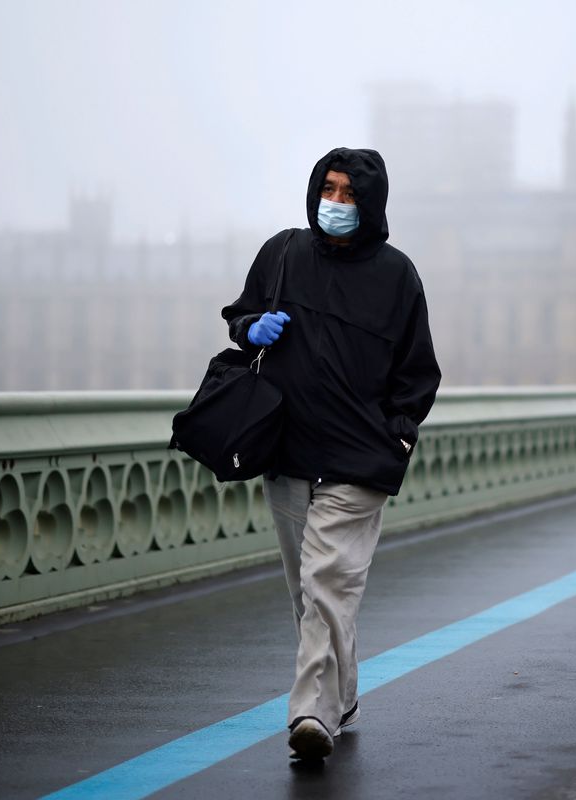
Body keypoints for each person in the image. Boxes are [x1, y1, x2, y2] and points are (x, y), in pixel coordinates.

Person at [221, 147, 441, 761]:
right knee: (310, 592)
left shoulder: (398, 276)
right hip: (288, 449)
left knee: (325, 582)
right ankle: (341, 696)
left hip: (359, 462)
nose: (336, 203)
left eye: (349, 194)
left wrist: (395, 434)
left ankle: (311, 714)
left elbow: (419, 372)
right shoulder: (283, 252)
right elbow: (239, 315)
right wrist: (251, 327)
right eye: (329, 188)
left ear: (370, 204)